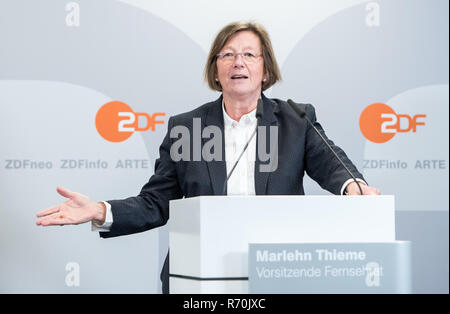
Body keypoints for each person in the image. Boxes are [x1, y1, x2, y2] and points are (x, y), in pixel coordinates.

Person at [36, 21, 380, 294]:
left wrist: (354, 188)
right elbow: (157, 202)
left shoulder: (296, 120)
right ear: (216, 71)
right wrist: (100, 210)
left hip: (277, 271)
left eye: (249, 54)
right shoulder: (187, 127)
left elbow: (332, 163)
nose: (238, 62)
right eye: (227, 55)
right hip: (199, 275)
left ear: (265, 70)